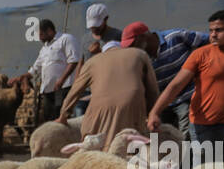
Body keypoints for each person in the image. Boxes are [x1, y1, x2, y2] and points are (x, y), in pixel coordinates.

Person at [148, 10, 224, 169]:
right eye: (211, 30)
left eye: (219, 30)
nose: (213, 35)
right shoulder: (201, 55)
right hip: (205, 126)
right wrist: (155, 112)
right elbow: (175, 86)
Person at [58, 22, 159, 151]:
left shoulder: (92, 62)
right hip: (131, 108)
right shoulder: (139, 54)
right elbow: (152, 90)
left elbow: (74, 91)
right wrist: (153, 113)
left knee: (96, 150)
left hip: (98, 112)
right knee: (130, 149)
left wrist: (63, 115)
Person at [145, 25, 210, 138]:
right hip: (163, 102)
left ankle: (188, 154)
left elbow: (209, 40)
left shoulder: (175, 37)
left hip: (186, 96)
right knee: (163, 135)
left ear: (144, 37)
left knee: (186, 133)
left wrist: (205, 68)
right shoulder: (142, 56)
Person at [30, 19, 80, 122]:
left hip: (62, 88)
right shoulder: (44, 48)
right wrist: (23, 77)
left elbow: (73, 61)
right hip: (48, 91)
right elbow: (36, 68)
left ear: (49, 31)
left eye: (41, 34)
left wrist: (62, 80)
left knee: (61, 118)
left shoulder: (65, 39)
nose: (40, 38)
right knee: (49, 119)